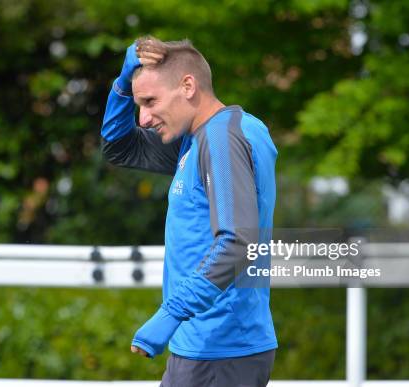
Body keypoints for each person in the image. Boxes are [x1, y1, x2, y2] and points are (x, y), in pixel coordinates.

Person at [100, 36, 278, 387]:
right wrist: (123, 85)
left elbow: (238, 242)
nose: (145, 118)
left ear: (187, 85)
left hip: (219, 349)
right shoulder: (198, 139)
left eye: (150, 102)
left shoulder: (221, 139)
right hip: (210, 346)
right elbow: (118, 147)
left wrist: (171, 313)